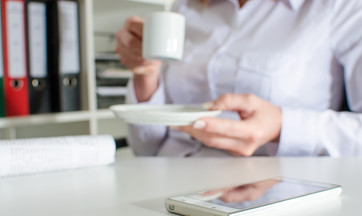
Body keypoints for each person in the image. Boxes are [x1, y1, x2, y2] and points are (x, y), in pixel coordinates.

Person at [115, 0, 362, 157]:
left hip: (268, 190)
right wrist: (147, 73)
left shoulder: (340, 8)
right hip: (164, 181)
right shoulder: (185, 8)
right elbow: (146, 148)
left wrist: (281, 126)